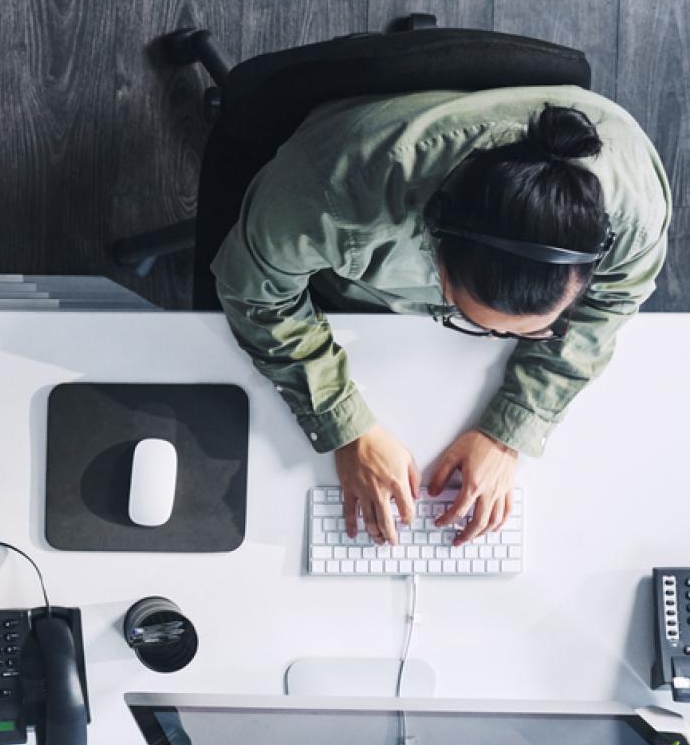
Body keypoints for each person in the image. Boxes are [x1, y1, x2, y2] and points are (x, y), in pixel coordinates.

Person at [214, 88, 669, 547]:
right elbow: (256, 296)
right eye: (476, 323)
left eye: (528, 331)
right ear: (436, 250)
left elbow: (610, 305)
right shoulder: (329, 195)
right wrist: (347, 427)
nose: (494, 342)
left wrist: (508, 430)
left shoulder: (636, 217)